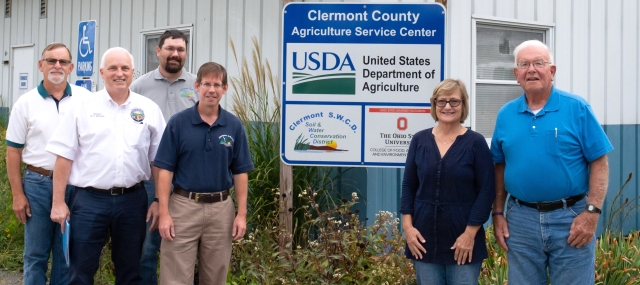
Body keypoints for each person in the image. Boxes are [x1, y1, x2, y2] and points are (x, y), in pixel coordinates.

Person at [491, 40, 613, 284]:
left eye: (539, 63)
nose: (531, 69)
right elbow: (499, 165)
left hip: (571, 218)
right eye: (524, 64)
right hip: (521, 219)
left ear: (552, 71)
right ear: (516, 74)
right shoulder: (505, 114)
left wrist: (592, 212)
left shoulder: (577, 108)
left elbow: (599, 162)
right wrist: (497, 212)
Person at [46, 47, 166, 284]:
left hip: (132, 202)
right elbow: (63, 156)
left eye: (124, 68)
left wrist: (160, 201)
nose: (119, 73)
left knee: (131, 272)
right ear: (102, 72)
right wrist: (58, 202)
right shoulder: (83, 107)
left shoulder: (149, 109)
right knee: (80, 271)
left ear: (133, 72)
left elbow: (159, 161)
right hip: (90, 202)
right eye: (113, 68)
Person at [155, 62, 254, 285]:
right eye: (207, 84)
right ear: (197, 86)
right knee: (175, 277)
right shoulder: (178, 123)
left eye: (217, 84)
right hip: (182, 206)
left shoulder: (233, 125)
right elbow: (165, 171)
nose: (212, 89)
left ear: (225, 88)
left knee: (216, 276)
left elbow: (240, 172)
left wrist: (241, 214)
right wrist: (164, 213)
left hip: (221, 209)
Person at [5, 42, 92, 285]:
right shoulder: (25, 103)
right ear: (40, 65)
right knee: (35, 255)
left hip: (75, 185)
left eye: (63, 61)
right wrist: (17, 195)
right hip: (37, 185)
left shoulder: (86, 99)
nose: (57, 66)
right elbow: (13, 152)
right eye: (51, 61)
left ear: (71, 67)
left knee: (66, 255)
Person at [401, 79, 495, 284]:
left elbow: (487, 190)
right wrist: (408, 228)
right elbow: (409, 186)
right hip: (424, 238)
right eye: (441, 101)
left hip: (463, 238)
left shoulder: (475, 143)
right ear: (434, 105)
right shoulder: (419, 140)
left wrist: (470, 234)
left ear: (463, 105)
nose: (447, 107)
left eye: (454, 101)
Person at [130, 29, 198, 285]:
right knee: (147, 247)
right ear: (158, 51)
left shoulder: (197, 85)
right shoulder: (139, 87)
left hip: (187, 182)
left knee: (183, 248)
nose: (175, 54)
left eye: (180, 49)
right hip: (150, 181)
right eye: (170, 48)